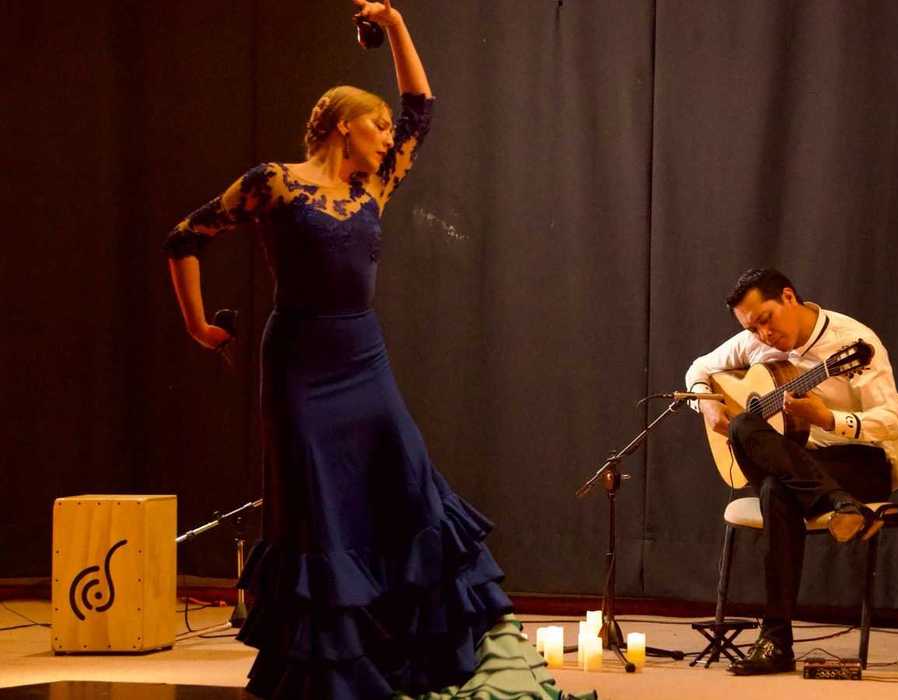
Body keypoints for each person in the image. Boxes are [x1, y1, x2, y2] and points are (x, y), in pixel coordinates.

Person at [166, 3, 586, 698]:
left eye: (386, 127)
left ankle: (406, 652)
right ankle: (329, 673)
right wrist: (199, 328)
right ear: (341, 126)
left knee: (406, 484)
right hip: (299, 364)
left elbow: (420, 107)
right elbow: (183, 237)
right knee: (318, 507)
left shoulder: (374, 185)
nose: (388, 134)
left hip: (363, 357)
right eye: (376, 123)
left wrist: (392, 23)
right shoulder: (274, 181)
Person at [685, 267, 898, 676]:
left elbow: (893, 421)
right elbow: (698, 368)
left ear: (789, 297)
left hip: (859, 463)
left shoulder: (852, 343)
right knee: (743, 425)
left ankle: (776, 641)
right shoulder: (753, 342)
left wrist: (829, 419)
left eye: (766, 319)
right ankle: (838, 505)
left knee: (775, 489)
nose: (763, 334)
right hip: (805, 467)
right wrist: (705, 402)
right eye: (752, 328)